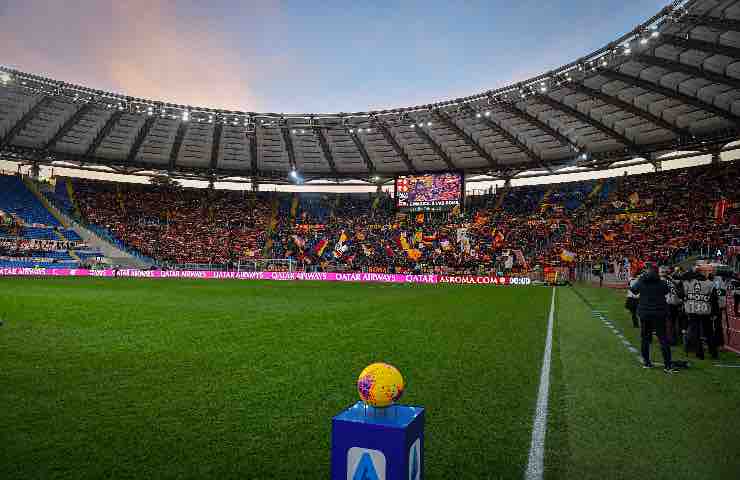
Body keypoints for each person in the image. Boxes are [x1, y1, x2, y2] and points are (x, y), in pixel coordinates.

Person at [630, 263, 676, 373]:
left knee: (645, 339)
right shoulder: (662, 282)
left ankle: (646, 362)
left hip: (645, 313)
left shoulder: (642, 281)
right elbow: (666, 291)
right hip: (659, 313)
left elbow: (633, 290)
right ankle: (667, 365)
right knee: (663, 339)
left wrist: (641, 279)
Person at [681, 266, 720, 360]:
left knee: (695, 333)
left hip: (692, 310)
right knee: (709, 332)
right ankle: (713, 352)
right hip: (705, 310)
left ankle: (699, 353)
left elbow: (682, 294)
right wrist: (715, 312)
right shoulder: (710, 284)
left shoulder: (688, 283)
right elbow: (714, 299)